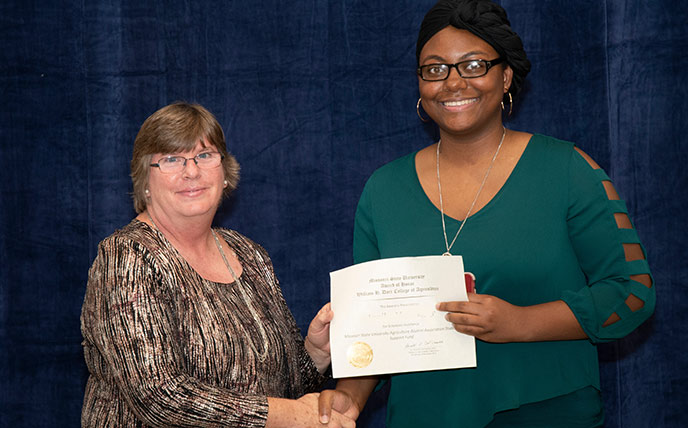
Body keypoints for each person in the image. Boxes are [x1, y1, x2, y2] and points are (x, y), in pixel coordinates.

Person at [318, 0, 655, 427]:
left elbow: (632, 293)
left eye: (474, 65)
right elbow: (377, 329)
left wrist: (519, 322)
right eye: (435, 68)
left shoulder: (568, 170)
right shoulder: (382, 190)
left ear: (506, 75)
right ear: (420, 84)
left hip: (546, 413)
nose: (453, 83)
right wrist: (349, 395)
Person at [80, 102, 354, 428]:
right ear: (145, 182)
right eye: (171, 159)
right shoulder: (127, 257)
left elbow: (281, 390)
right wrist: (286, 417)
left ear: (225, 173)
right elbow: (158, 396)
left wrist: (316, 353)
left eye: (205, 156)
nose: (191, 171)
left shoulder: (249, 254)